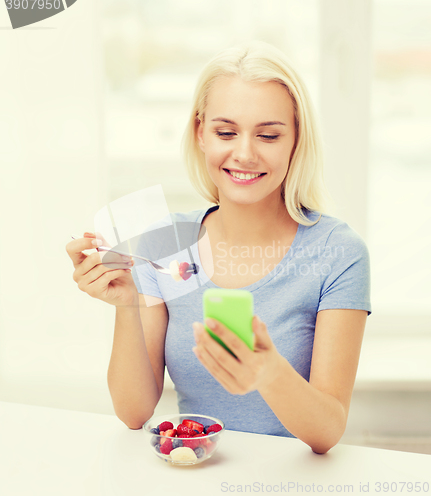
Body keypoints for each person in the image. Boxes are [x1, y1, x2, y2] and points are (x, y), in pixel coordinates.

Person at [66, 41, 371, 455]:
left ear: (296, 139)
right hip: (195, 473)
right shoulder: (165, 241)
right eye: (225, 132)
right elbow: (133, 411)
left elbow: (327, 430)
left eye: (268, 135)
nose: (244, 154)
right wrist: (127, 304)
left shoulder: (338, 252)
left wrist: (269, 372)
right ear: (200, 133)